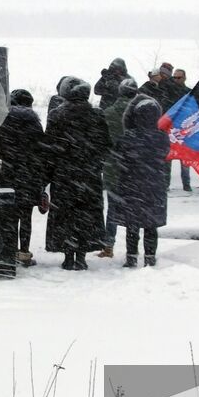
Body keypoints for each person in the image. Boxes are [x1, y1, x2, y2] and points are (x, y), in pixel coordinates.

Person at [43, 77, 111, 270]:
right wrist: (94, 162)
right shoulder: (97, 116)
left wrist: (48, 173)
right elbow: (106, 145)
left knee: (66, 214)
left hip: (64, 174)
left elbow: (50, 147)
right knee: (86, 215)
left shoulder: (57, 115)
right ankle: (81, 255)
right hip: (89, 175)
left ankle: (68, 255)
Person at [109, 94, 170, 267]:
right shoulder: (162, 138)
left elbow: (118, 159)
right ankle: (150, 257)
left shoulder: (127, 137)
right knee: (151, 226)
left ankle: (131, 257)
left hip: (132, 185)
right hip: (154, 186)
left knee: (132, 225)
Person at [0, 89, 46, 266]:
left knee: (10, 215)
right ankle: (24, 252)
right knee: (26, 215)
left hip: (9, 172)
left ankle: (9, 251)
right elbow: (42, 150)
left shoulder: (4, 122)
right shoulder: (35, 124)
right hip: (30, 174)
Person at [102, 79, 139, 253]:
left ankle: (108, 245)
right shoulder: (141, 113)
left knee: (113, 208)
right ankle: (132, 250)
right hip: (136, 167)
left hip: (113, 166)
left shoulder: (108, 113)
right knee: (135, 208)